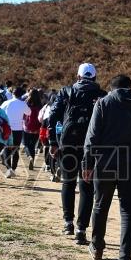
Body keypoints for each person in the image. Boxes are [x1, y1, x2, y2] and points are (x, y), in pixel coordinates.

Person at [85, 74, 131, 260]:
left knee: (101, 205)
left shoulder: (104, 103)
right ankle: (125, 258)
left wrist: (87, 162)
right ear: (130, 87)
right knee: (128, 210)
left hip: (106, 160)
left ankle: (97, 247)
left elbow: (92, 135)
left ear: (112, 88)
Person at [48, 63, 107, 245]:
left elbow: (53, 116)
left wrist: (52, 141)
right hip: (91, 146)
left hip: (68, 143)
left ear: (78, 76)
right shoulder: (102, 96)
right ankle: (82, 229)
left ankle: (68, 223)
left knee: (68, 182)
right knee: (87, 186)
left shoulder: (66, 92)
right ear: (94, 78)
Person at [1, 87, 30, 177]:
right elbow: (29, 112)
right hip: (18, 129)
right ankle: (13, 169)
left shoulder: (6, 103)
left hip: (8, 129)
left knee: (7, 148)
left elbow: (0, 112)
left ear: (12, 94)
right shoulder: (22, 103)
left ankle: (9, 169)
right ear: (21, 95)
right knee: (15, 149)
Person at [21, 89, 43, 171]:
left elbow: (23, 114)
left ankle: (29, 157)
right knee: (33, 146)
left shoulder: (26, 103)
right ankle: (32, 160)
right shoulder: (40, 104)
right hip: (37, 127)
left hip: (27, 127)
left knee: (26, 144)